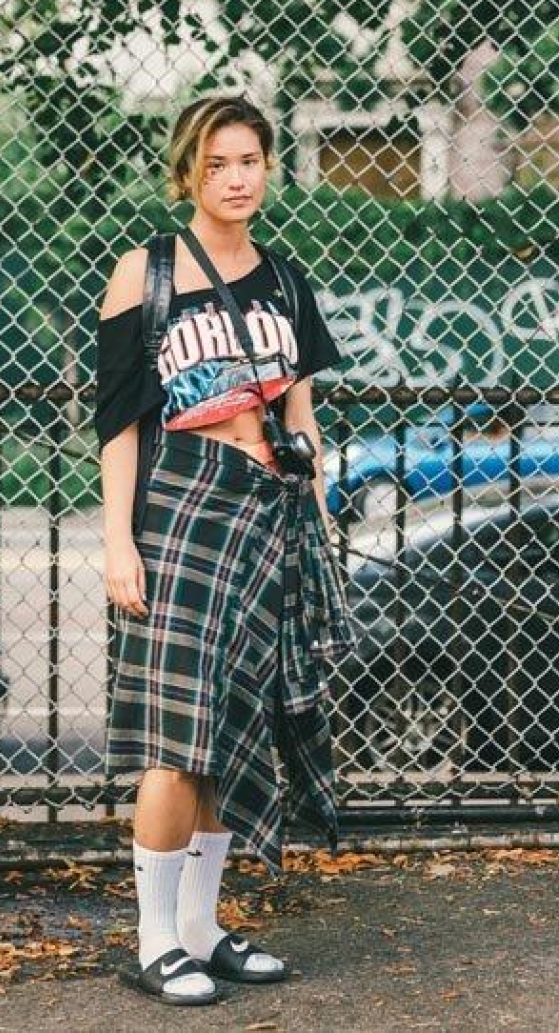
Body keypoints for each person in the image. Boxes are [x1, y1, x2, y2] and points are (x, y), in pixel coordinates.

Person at [94, 94, 354, 1006]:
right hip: (183, 514)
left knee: (234, 729)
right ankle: (154, 938)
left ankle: (201, 929)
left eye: (249, 161)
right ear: (188, 173)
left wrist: (314, 517)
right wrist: (118, 542)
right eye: (217, 165)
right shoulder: (147, 272)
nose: (236, 178)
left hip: (269, 518)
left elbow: (301, 416)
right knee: (177, 741)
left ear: (267, 169)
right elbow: (120, 424)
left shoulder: (285, 278)